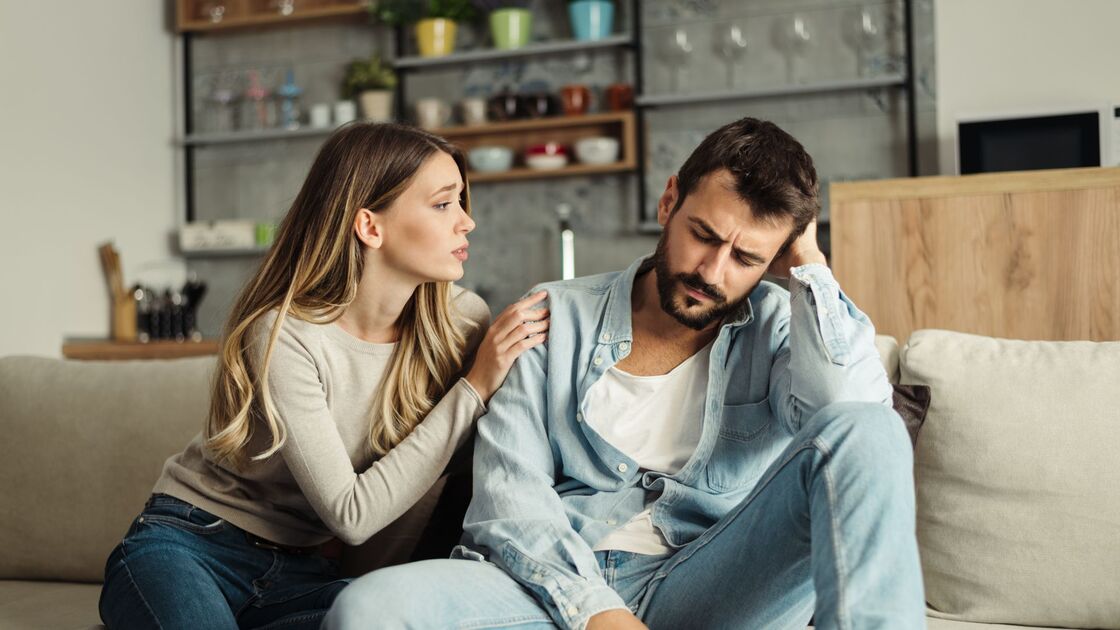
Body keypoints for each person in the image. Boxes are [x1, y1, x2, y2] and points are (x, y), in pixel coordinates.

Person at [324, 117, 924, 630]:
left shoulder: (782, 327)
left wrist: (810, 268)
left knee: (870, 429)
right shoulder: (552, 315)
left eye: (746, 258)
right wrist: (596, 612)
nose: (711, 272)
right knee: (368, 609)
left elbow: (851, 420)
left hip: (714, 582)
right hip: (555, 585)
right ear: (669, 203)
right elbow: (509, 499)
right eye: (703, 236)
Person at [98, 122, 550, 629]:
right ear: (370, 227)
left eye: (462, 203)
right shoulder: (284, 334)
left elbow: (453, 475)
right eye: (444, 204)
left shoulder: (462, 322)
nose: (467, 222)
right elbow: (351, 515)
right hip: (191, 547)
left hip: (303, 573)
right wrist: (474, 388)